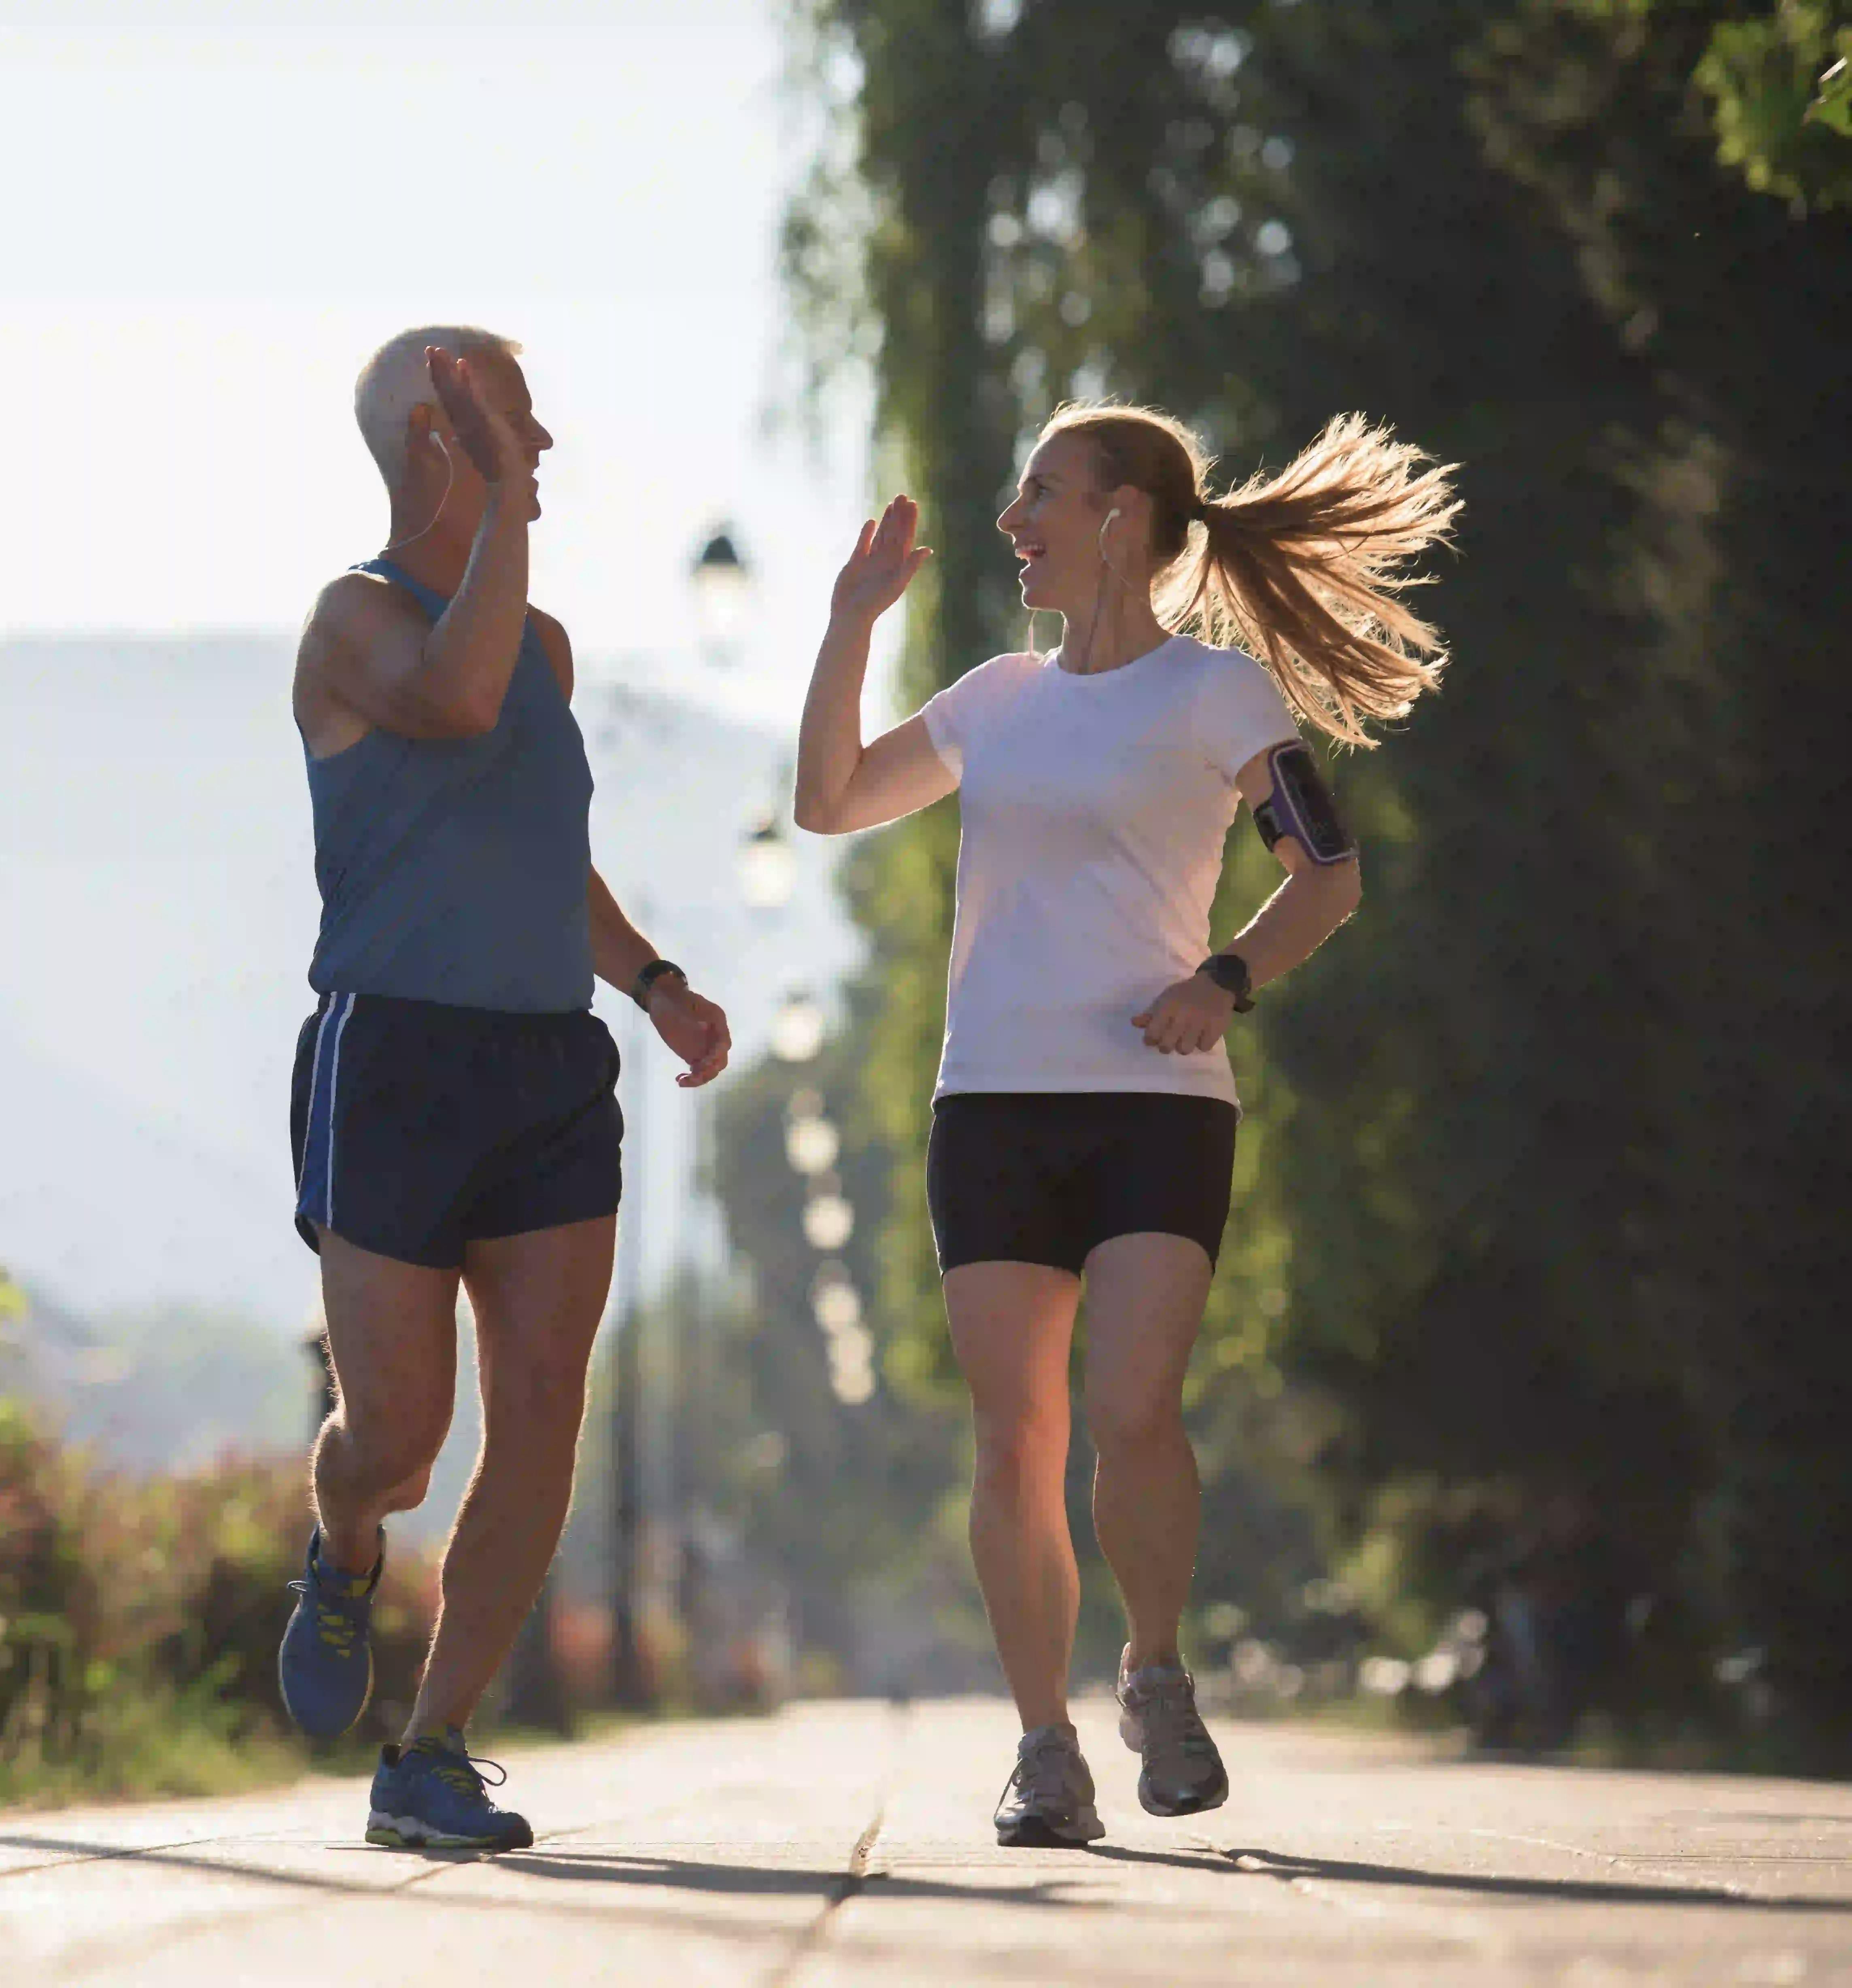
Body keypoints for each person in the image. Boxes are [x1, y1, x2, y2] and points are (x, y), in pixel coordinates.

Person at [791, 402, 1459, 1846]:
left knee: (1134, 1411)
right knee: (1016, 1433)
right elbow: (832, 801)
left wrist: (1224, 978)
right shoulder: (993, 699)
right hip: (993, 1104)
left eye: (1042, 490)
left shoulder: (1217, 698)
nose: (1013, 517)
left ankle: (1154, 1673)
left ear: (1122, 516)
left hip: (1158, 1101)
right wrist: (850, 624)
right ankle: (1043, 1749)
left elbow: (1326, 877)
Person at [277, 325, 733, 1851]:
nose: (541, 434)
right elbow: (455, 705)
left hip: (546, 1064)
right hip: (394, 1055)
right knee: (399, 1438)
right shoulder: (354, 621)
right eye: (506, 411)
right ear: (433, 435)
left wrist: (655, 980)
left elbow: (544, 846)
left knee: (541, 1408)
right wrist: (512, 518)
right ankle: (341, 1544)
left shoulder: (544, 645)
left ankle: (432, 1747)